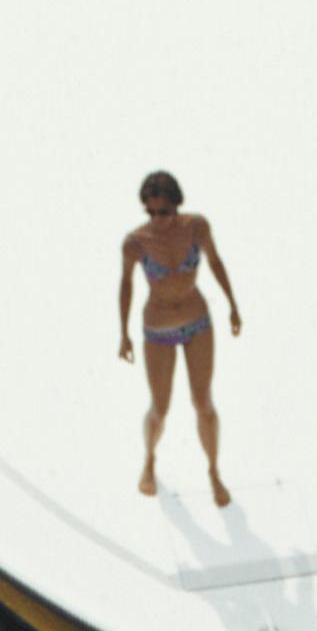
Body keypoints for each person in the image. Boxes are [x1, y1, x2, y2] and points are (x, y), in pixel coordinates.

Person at [118, 168, 240, 510]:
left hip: (197, 321)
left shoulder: (196, 227)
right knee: (160, 407)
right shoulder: (135, 242)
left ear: (176, 206)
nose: (157, 220)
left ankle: (214, 470)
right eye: (151, 212)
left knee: (204, 403)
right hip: (158, 328)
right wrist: (123, 333)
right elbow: (126, 284)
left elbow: (215, 262)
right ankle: (149, 458)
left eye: (164, 212)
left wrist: (232, 304)